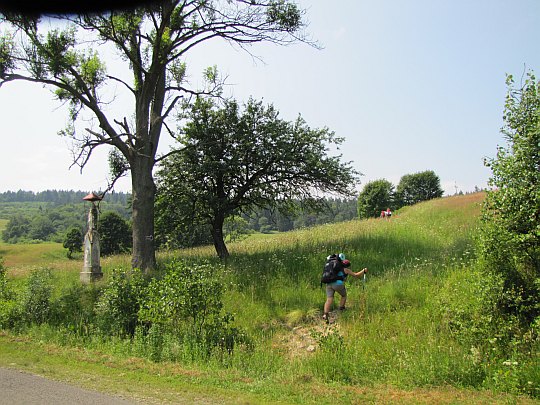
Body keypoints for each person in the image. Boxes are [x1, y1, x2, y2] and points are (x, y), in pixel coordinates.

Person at [323, 256, 368, 323]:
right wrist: (363, 270)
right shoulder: (346, 270)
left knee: (329, 299)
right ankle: (341, 308)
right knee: (344, 295)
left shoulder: (334, 268)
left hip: (329, 283)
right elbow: (356, 275)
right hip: (338, 284)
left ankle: (325, 314)